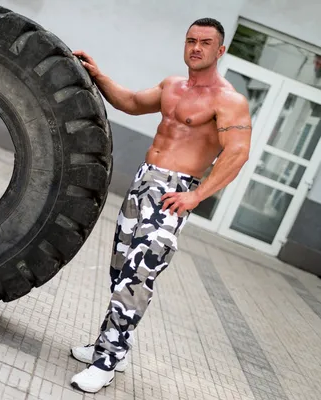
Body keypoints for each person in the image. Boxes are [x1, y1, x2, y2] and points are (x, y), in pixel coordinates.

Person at [69, 18, 253, 393]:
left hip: (174, 193)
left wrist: (196, 196)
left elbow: (238, 153)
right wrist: (98, 75)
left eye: (205, 42)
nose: (196, 47)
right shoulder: (172, 86)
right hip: (142, 185)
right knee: (120, 271)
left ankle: (106, 361)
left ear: (221, 51)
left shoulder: (228, 100)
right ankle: (113, 348)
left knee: (138, 278)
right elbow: (132, 102)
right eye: (191, 40)